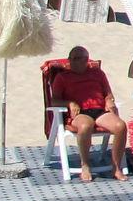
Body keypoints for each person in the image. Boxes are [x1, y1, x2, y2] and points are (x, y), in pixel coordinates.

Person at [51, 45, 127, 183]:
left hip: (99, 110)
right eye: (71, 59)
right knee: (86, 125)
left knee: (120, 126)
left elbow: (107, 93)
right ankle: (85, 164)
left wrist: (109, 100)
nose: (72, 61)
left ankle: (116, 167)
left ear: (86, 60)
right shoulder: (62, 77)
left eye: (77, 59)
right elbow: (54, 101)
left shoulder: (98, 74)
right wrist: (69, 103)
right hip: (80, 113)